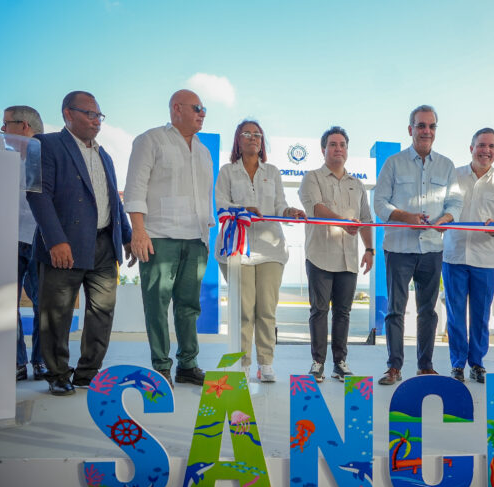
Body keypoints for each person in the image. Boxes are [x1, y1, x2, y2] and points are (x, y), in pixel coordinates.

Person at [27, 91, 134, 396]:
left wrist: (126, 237)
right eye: (88, 113)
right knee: (56, 314)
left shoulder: (105, 156)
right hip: (65, 247)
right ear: (67, 114)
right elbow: (37, 194)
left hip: (104, 245)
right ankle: (58, 373)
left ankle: (88, 373)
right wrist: (55, 240)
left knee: (102, 313)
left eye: (99, 115)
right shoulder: (45, 145)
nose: (95, 120)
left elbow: (114, 201)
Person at [124, 90, 214, 387]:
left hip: (195, 240)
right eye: (197, 108)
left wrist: (206, 237)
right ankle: (161, 366)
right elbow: (135, 189)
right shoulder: (150, 140)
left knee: (190, 306)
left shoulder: (203, 151)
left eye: (204, 109)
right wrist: (138, 231)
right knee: (157, 305)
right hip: (159, 237)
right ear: (177, 109)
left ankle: (188, 365)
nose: (202, 113)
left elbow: (205, 197)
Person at [372, 105, 463, 385]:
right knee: (395, 310)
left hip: (432, 249)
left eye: (431, 126)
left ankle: (425, 366)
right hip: (399, 248)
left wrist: (444, 219)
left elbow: (455, 204)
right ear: (410, 129)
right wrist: (404, 217)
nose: (426, 131)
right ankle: (394, 368)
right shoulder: (394, 163)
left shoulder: (446, 165)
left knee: (428, 311)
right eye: (421, 126)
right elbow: (379, 203)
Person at [214, 120, 305, 383]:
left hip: (271, 250)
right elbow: (220, 203)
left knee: (266, 309)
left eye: (257, 134)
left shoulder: (273, 171)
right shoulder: (227, 171)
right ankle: (241, 363)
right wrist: (242, 209)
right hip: (236, 249)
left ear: (262, 141)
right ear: (238, 141)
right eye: (247, 133)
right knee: (243, 309)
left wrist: (290, 212)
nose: (253, 138)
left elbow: (280, 205)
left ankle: (266, 363)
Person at [443, 128, 494, 384]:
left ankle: (477, 363)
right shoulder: (453, 176)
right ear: (471, 148)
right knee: (456, 315)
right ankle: (457, 365)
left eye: (491, 147)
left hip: (485, 260)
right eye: (481, 145)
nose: (486, 151)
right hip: (453, 257)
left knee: (481, 316)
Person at [299, 126, 373, 383]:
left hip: (348, 259)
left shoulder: (357, 184)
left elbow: (365, 218)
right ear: (323, 149)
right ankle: (317, 362)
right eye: (332, 144)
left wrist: (370, 249)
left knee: (343, 313)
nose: (338, 148)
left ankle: (339, 363)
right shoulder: (312, 178)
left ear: (347, 150)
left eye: (342, 144)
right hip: (320, 255)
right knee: (319, 311)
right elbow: (317, 209)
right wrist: (342, 221)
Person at [2, 105, 48, 382]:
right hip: (7, 239)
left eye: (7, 124)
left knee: (44, 304)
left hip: (39, 240)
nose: (4, 129)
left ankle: (40, 360)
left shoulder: (48, 158)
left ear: (25, 127)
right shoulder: (2, 160)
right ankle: (17, 362)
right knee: (6, 305)